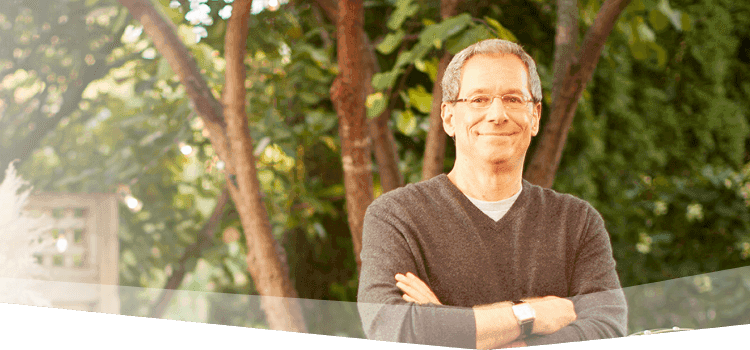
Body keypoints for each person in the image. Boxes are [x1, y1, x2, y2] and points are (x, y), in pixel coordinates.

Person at [356, 39, 628, 348]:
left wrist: (449, 324)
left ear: (535, 116)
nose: (497, 114)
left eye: (513, 99)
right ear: (448, 117)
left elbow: (608, 328)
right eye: (478, 99)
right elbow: (394, 327)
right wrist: (530, 315)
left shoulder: (577, 222)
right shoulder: (396, 216)